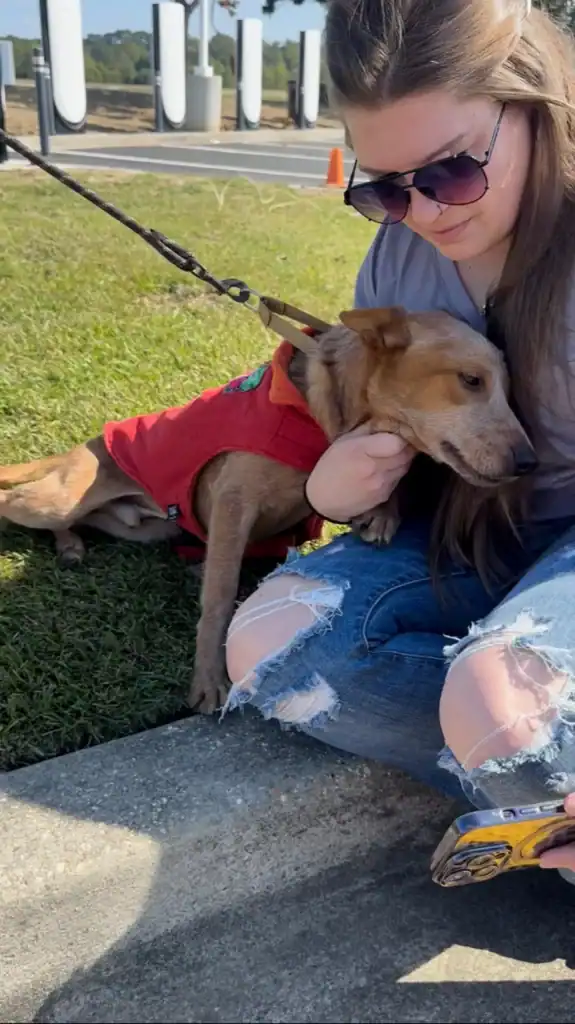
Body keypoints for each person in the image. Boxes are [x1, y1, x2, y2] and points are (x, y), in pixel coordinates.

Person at [225, 0, 575, 880]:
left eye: (450, 172)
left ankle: (525, 764)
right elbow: (385, 411)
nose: (418, 213)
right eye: (382, 187)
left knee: (498, 694)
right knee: (273, 644)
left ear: (532, 110)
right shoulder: (397, 257)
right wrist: (339, 488)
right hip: (467, 530)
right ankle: (534, 786)